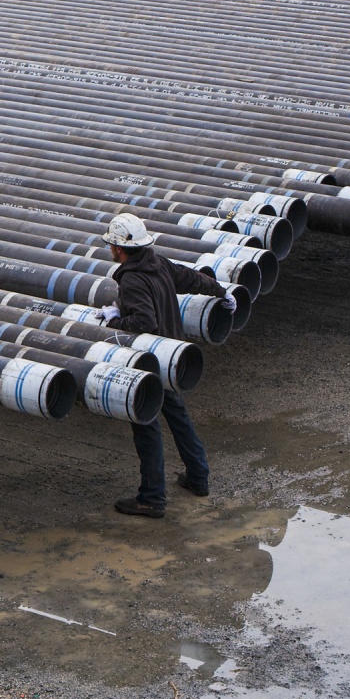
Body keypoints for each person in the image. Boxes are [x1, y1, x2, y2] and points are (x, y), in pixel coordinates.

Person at [100, 211, 233, 519]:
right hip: (172, 357)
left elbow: (145, 320)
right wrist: (221, 291)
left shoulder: (131, 278)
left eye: (111, 246)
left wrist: (114, 320)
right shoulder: (158, 263)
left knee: (146, 426)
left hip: (150, 360)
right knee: (178, 417)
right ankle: (198, 478)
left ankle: (151, 498)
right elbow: (193, 278)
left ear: (119, 249)